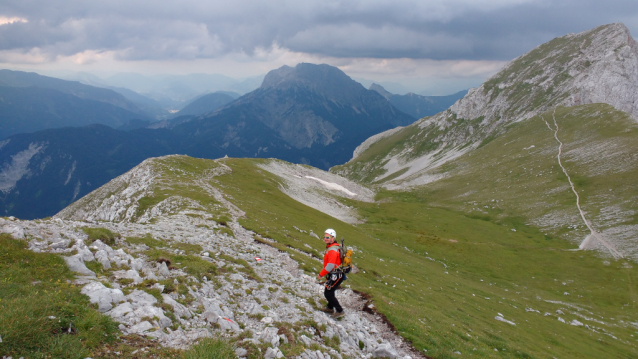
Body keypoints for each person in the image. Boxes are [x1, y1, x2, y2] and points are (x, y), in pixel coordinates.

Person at [316, 228, 345, 318]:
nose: (325, 238)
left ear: (333, 238)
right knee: (330, 291)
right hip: (336, 274)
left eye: (327, 237)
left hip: (336, 274)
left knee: (328, 293)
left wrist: (321, 274)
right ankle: (330, 307)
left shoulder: (332, 250)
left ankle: (340, 310)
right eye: (325, 236)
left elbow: (330, 266)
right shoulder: (334, 247)